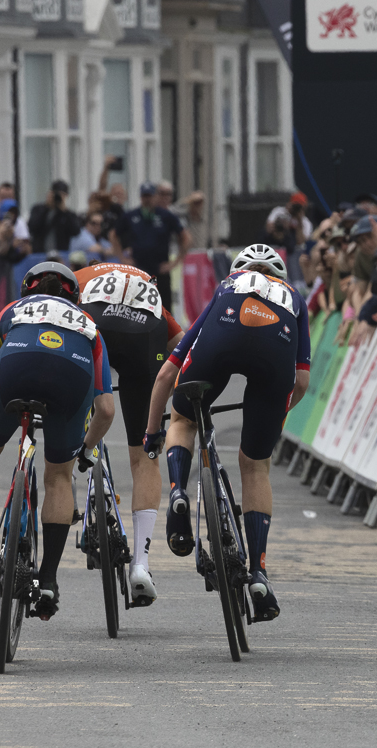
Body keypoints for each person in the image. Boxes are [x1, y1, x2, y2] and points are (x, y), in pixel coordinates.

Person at [143, 245, 310, 622]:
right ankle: (259, 571)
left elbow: (167, 374)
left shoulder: (228, 285)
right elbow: (300, 381)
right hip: (275, 353)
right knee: (255, 466)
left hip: (222, 339)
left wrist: (153, 434)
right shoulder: (294, 298)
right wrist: (274, 419)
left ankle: (178, 492)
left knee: (184, 420)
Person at [0, 262, 116, 620]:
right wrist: (84, 452)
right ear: (75, 297)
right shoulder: (91, 327)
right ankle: (49, 579)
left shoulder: (12, 311)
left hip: (17, 367)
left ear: (28, 290)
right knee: (57, 476)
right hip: (71, 375)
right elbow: (106, 410)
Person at [74, 261, 184, 605]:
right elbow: (180, 342)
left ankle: (83, 455)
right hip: (144, 336)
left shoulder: (78, 279)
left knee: (79, 415)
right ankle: (141, 564)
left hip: (93, 327)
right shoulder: (142, 284)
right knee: (144, 456)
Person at [112, 181, 191, 309]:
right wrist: (122, 258)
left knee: (163, 307)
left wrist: (176, 261)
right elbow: (114, 235)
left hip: (159, 270)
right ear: (141, 197)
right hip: (138, 270)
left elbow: (185, 237)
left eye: (150, 196)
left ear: (155, 197)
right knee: (137, 306)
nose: (147, 200)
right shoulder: (132, 216)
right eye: (145, 196)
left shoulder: (165, 216)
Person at [28, 180, 81, 254]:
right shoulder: (38, 209)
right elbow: (32, 227)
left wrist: (64, 210)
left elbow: (76, 231)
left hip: (61, 254)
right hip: (40, 253)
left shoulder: (68, 214)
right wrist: (47, 207)